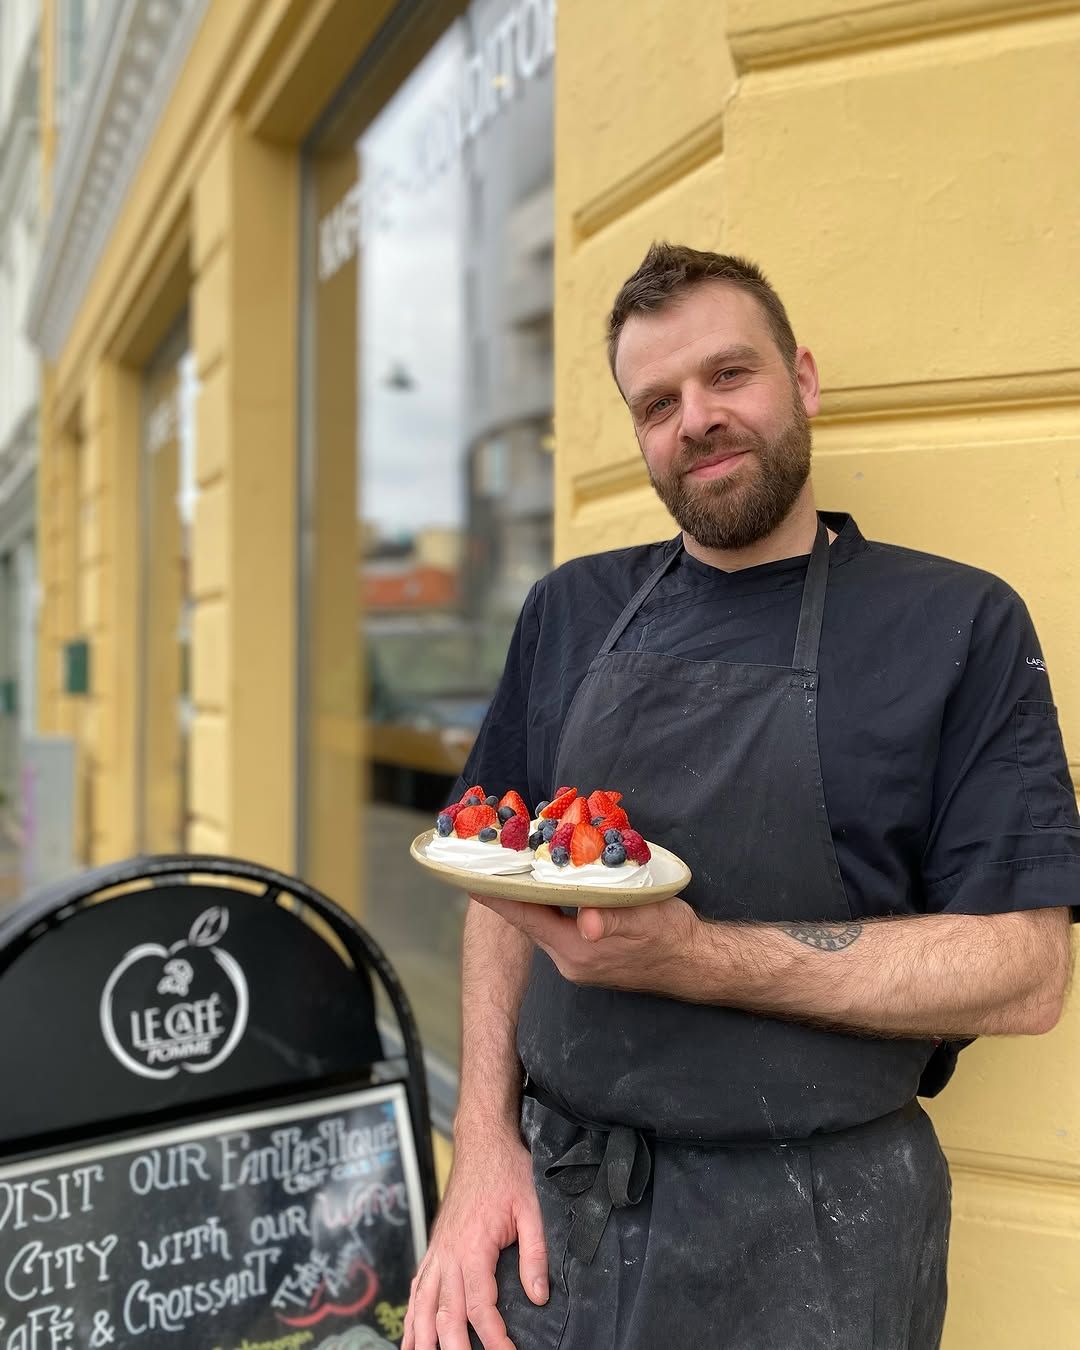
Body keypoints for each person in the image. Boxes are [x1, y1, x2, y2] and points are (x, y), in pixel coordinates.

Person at [402, 244, 1078, 1350]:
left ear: (801, 380)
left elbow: (1025, 972)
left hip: (824, 1238)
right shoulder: (572, 609)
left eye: (730, 376)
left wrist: (694, 957)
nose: (696, 418)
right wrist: (482, 1148)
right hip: (556, 1214)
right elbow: (496, 891)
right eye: (657, 401)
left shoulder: (955, 624)